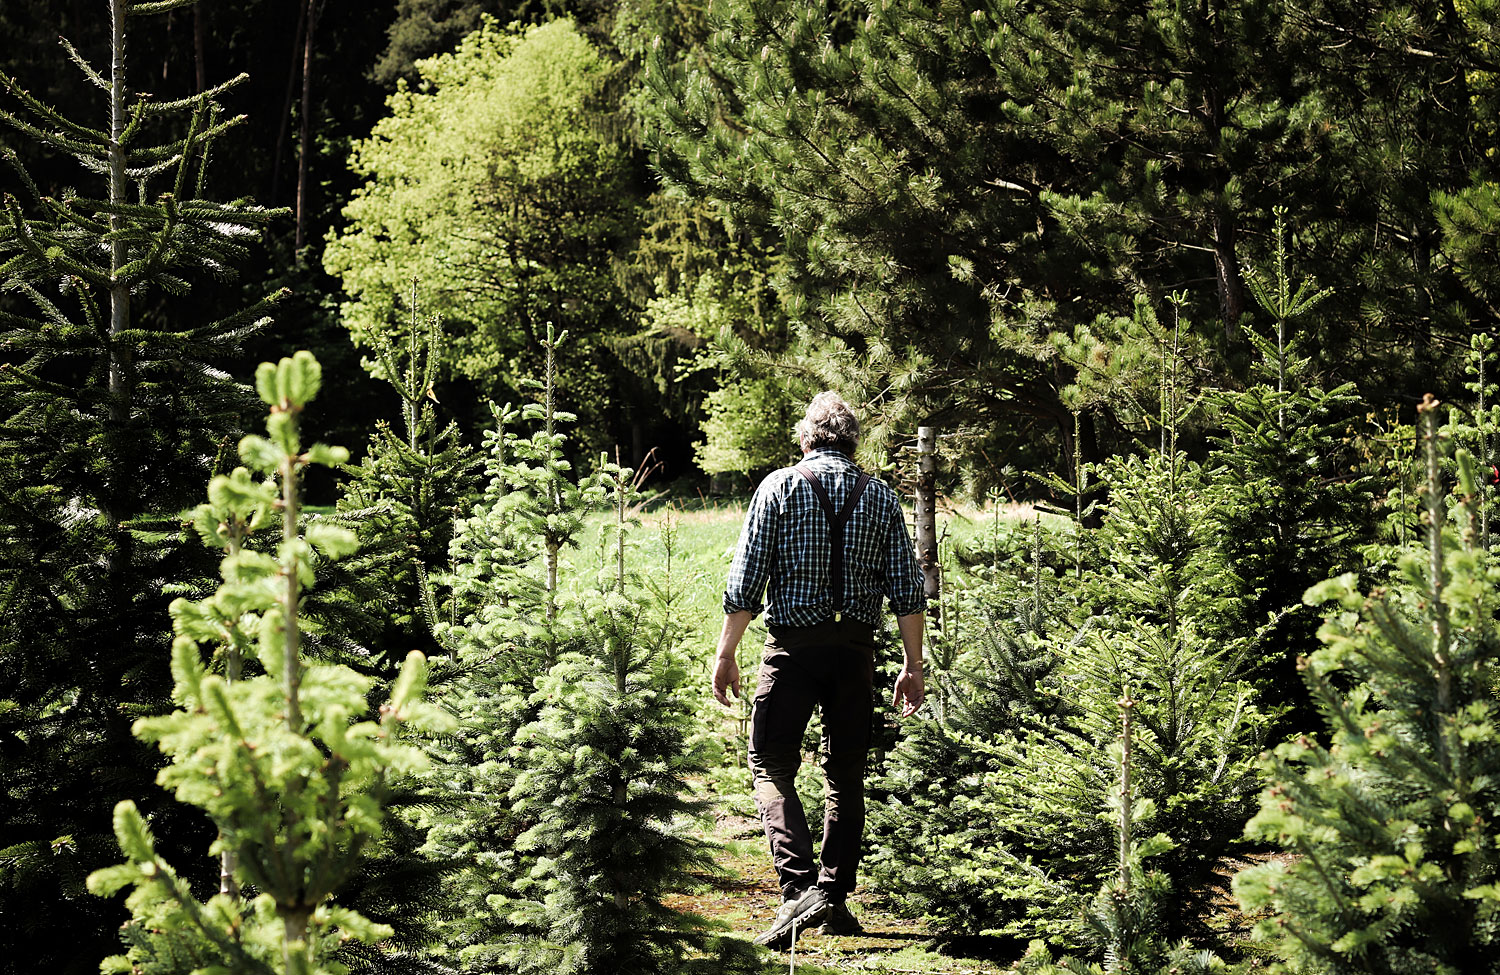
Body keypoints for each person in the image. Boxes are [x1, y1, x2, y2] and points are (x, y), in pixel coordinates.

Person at [713, 391, 927, 951]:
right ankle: (832, 898)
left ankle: (798, 891)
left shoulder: (778, 487)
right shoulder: (880, 496)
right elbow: (908, 590)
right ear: (853, 443)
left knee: (770, 763)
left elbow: (746, 580)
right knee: (845, 773)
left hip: (792, 650)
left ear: (806, 439)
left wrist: (726, 653)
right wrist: (913, 665)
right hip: (854, 652)